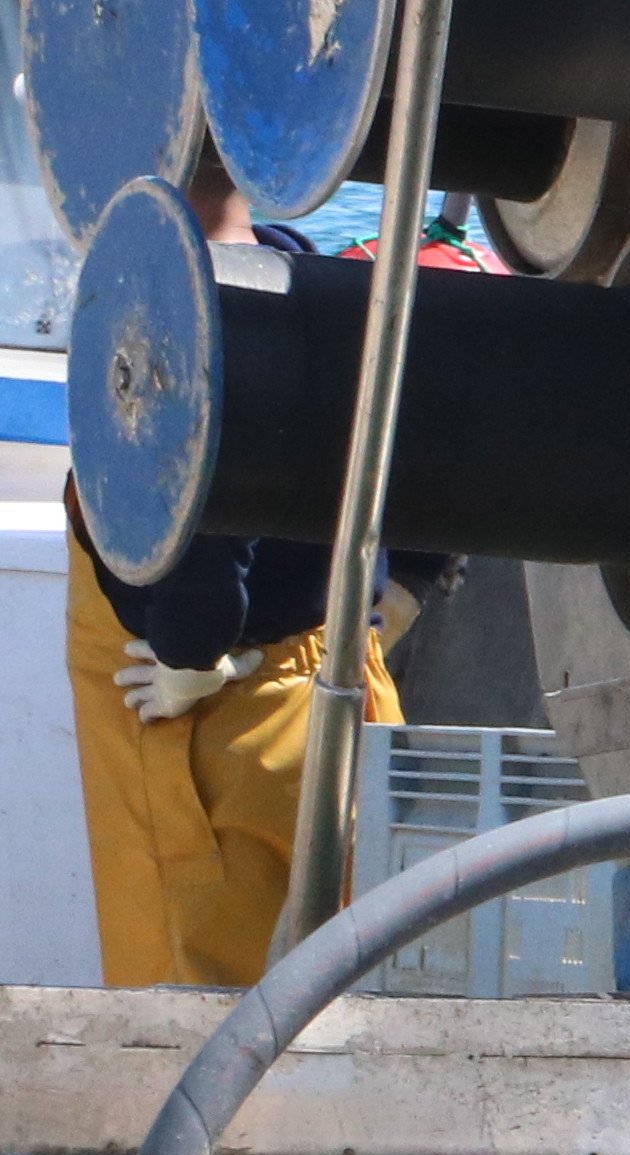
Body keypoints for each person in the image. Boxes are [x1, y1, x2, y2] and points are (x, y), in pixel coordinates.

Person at [66, 171, 423, 987]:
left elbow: (208, 513)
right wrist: (406, 587)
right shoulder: (327, 286)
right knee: (346, 1003)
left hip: (204, 736)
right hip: (341, 706)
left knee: (196, 1042)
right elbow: (440, 437)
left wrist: (192, 654)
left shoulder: (163, 313)